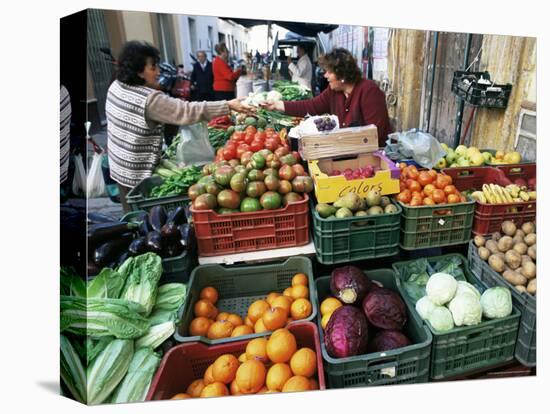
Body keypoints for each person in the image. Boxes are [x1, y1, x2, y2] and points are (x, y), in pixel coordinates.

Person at [106, 41, 253, 213]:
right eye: (153, 67)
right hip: (138, 172)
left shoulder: (116, 86)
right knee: (144, 218)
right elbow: (185, 111)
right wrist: (228, 105)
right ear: (139, 72)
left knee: (130, 215)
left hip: (118, 165)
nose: (158, 72)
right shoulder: (149, 99)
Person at [263, 48, 391, 147]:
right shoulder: (334, 91)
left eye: (329, 72)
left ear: (342, 74)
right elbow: (310, 106)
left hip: (373, 154)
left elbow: (375, 134)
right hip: (348, 150)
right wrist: (277, 105)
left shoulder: (369, 91)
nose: (325, 76)